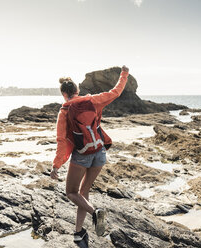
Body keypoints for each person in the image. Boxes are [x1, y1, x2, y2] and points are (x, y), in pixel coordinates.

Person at [50, 65, 129, 242]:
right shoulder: (93, 100)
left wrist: (56, 166)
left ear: (63, 94)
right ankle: (78, 232)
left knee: (71, 193)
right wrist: (124, 74)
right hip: (100, 151)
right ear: (77, 90)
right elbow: (116, 92)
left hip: (82, 155)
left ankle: (95, 212)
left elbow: (62, 141)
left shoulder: (64, 111)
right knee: (83, 193)